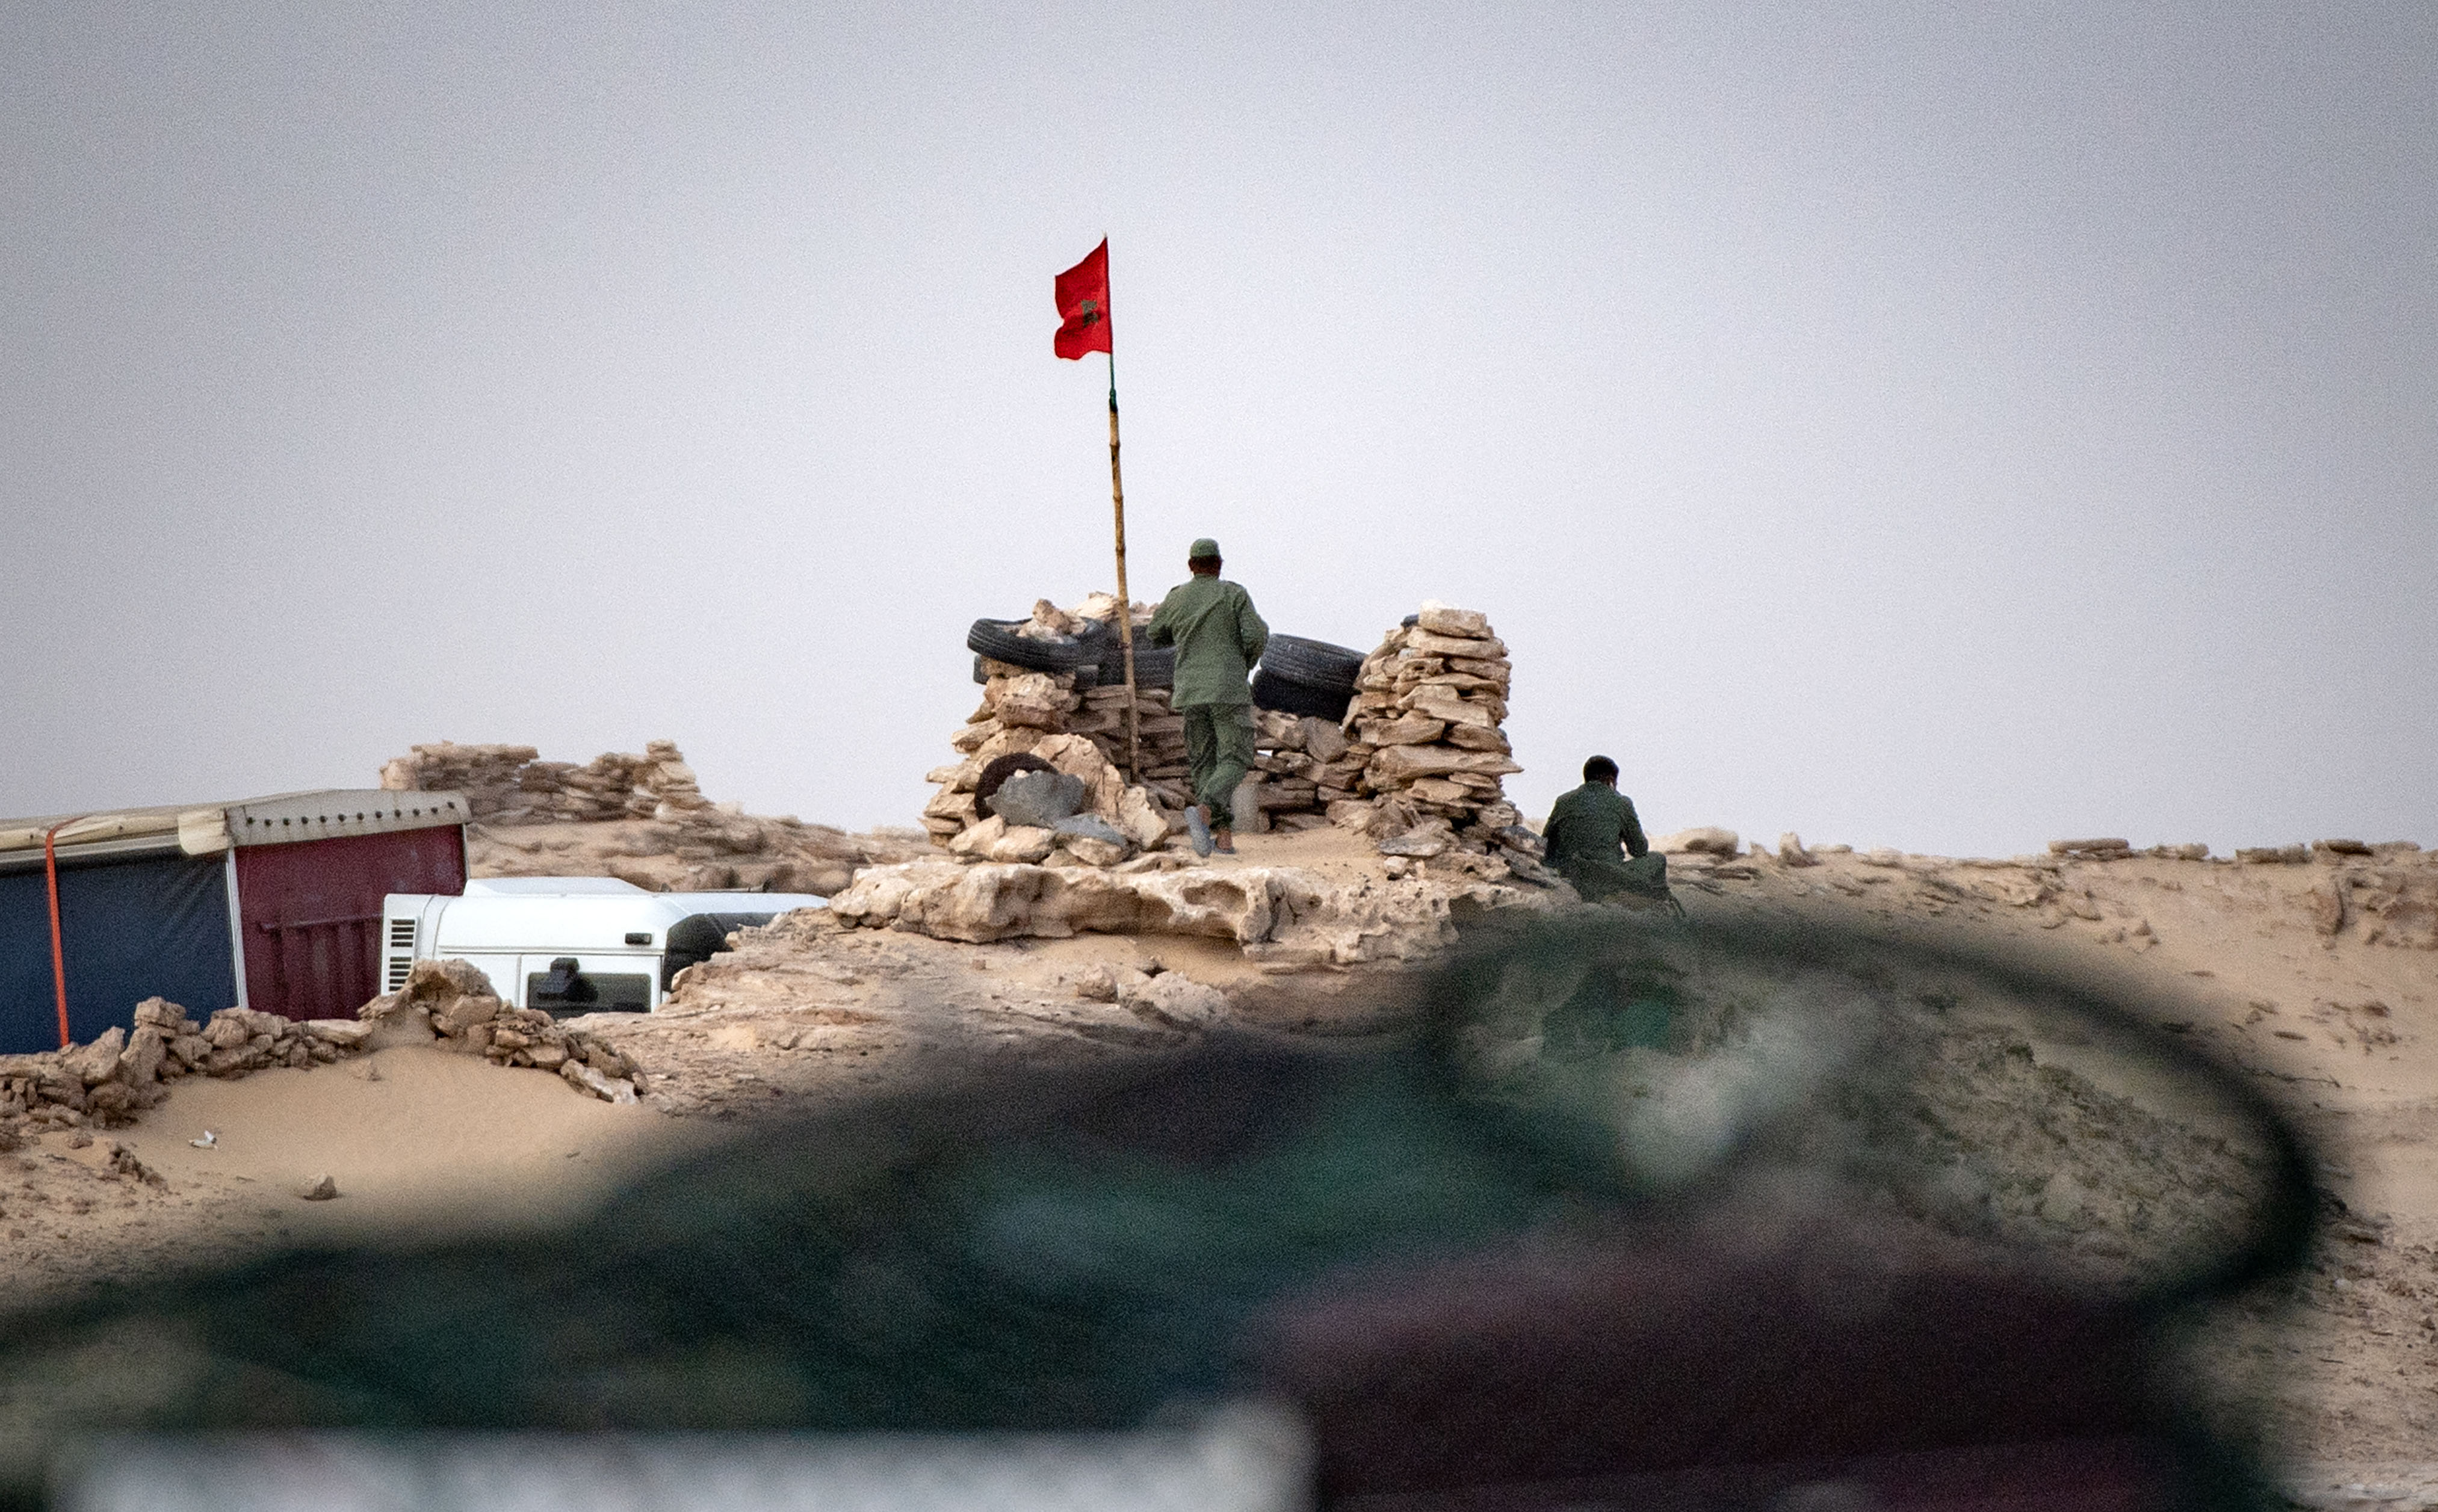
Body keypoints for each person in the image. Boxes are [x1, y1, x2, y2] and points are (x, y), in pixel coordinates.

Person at [1147, 537, 1268, 856]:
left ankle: (1223, 838)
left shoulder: (1177, 597)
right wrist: (1244, 663)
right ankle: (1205, 811)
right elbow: (1257, 634)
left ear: (1191, 566)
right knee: (1236, 758)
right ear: (1219, 565)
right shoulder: (1233, 594)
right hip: (1227, 689)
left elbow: (1154, 634)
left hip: (1190, 691)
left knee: (1204, 761)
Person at [1541, 755, 1673, 906]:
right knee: (1657, 859)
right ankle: (1659, 904)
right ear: (1611, 780)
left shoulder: (1563, 800)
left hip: (1572, 875)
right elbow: (1639, 850)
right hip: (1607, 878)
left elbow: (1546, 842)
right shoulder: (1622, 802)